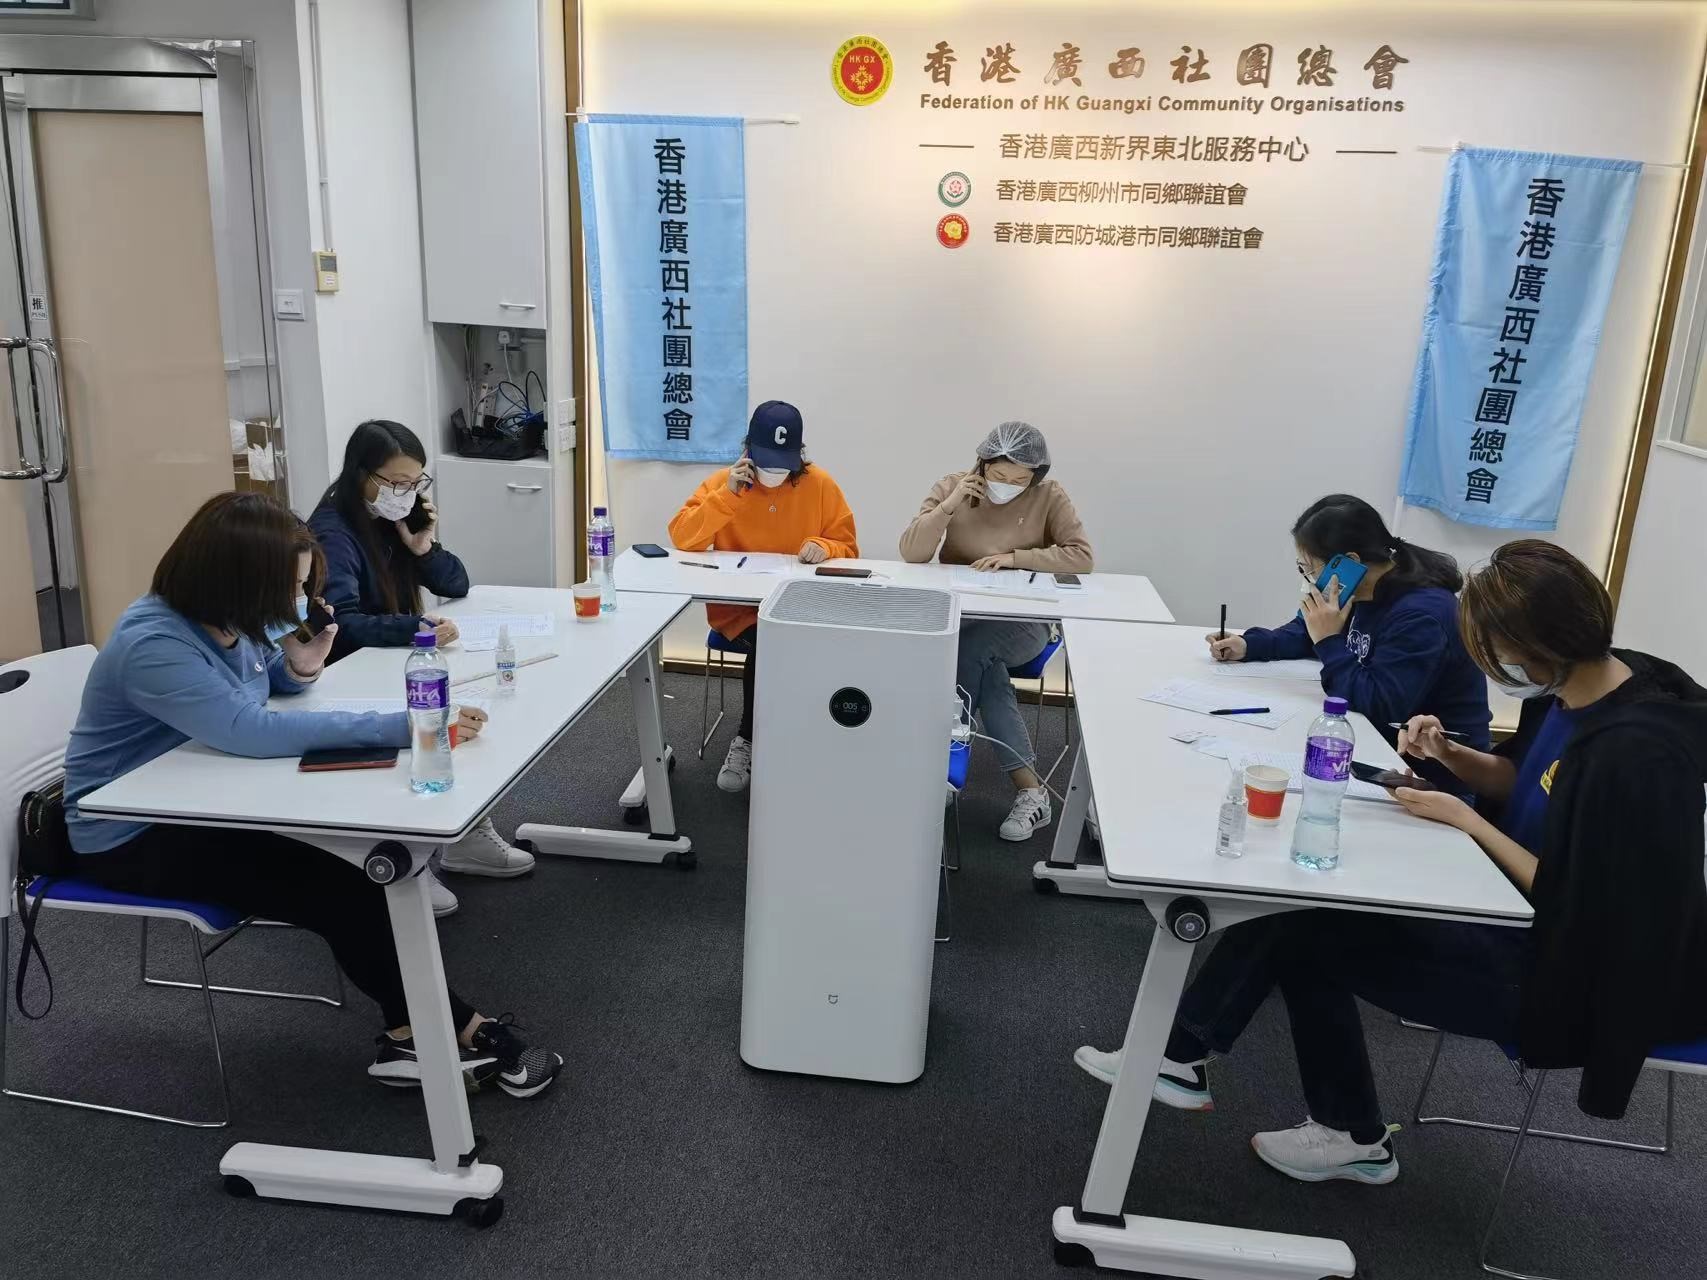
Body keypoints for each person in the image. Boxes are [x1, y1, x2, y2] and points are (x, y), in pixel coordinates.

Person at [1074, 541, 1707, 1186]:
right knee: (1302, 909)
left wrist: (1466, 820)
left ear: (1536, 642)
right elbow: (1530, 781)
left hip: (1563, 976)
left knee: (1304, 934)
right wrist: (1452, 756)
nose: (1494, 663)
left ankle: (1301, 1111)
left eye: (1495, 647)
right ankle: (1199, 1066)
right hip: (1503, 908)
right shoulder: (1583, 688)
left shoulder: (1636, 756)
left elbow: (1583, 901)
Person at [63, 492, 562, 1098]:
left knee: (352, 872)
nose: (297, 600)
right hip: (125, 832)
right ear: (236, 578)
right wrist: (411, 724)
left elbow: (258, 687)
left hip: (206, 798)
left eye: (301, 585)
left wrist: (299, 666)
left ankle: (413, 1029)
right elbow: (248, 730)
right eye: (288, 587)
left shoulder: (226, 617)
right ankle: (448, 1030)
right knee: (344, 887)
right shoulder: (155, 643)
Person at [309, 419, 532, 892]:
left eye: (415, 483)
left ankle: (462, 834)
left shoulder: (393, 520)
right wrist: (416, 628)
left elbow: (457, 584)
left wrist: (423, 547)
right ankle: (407, 859)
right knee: (436, 725)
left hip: (388, 660)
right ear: (361, 474)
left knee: (465, 719)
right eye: (396, 482)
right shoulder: (333, 532)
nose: (405, 494)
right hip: (348, 673)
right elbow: (340, 625)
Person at [1205, 494, 1491, 790]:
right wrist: (1250, 645)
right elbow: (1307, 631)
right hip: (1378, 751)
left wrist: (1329, 640)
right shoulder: (1361, 586)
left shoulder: (1421, 615)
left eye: (1309, 569)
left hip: (1431, 777)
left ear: (1349, 563)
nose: (1308, 580)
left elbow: (1379, 703)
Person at [899, 421, 1092, 841]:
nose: (1006, 487)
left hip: (1024, 624)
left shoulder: (1049, 495)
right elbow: (911, 553)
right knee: (986, 670)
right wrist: (949, 506)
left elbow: (1081, 556)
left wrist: (1017, 558)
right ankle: (1032, 793)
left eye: (1019, 481)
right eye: (999, 475)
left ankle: (942, 767)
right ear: (982, 464)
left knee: (969, 653)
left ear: (1035, 476)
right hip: (963, 617)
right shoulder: (953, 486)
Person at [668, 401, 858, 794]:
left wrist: (825, 546)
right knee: (772, 639)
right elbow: (683, 538)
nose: (775, 472)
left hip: (801, 609)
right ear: (747, 451)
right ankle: (749, 739)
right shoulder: (724, 483)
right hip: (739, 614)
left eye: (784, 463)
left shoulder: (820, 485)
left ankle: (794, 735)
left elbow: (849, 547)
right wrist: (726, 496)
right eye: (767, 462)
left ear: (799, 455)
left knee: (798, 638)